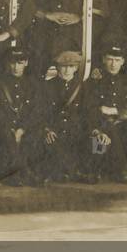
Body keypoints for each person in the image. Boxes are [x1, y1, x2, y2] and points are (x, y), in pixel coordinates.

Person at [81, 45, 127, 183]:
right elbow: (89, 107)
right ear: (103, 60)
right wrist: (100, 126)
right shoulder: (95, 81)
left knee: (111, 129)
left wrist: (116, 111)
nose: (113, 64)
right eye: (110, 59)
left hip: (123, 124)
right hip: (100, 123)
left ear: (123, 61)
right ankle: (122, 169)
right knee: (103, 132)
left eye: (117, 60)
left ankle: (95, 169)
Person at [0, 48, 44, 186]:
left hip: (26, 126)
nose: (16, 67)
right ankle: (22, 173)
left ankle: (20, 173)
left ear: (26, 63)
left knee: (35, 135)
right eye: (12, 63)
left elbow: (36, 111)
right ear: (8, 63)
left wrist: (22, 129)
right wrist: (10, 128)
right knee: (6, 136)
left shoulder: (34, 84)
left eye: (20, 63)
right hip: (5, 125)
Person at [42, 50, 86, 182]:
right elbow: (40, 111)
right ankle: (72, 172)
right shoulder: (47, 86)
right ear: (57, 67)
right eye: (64, 66)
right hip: (54, 128)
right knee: (51, 141)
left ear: (76, 68)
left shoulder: (83, 87)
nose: (67, 70)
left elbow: (87, 111)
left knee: (94, 144)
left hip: (76, 128)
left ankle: (68, 171)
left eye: (71, 66)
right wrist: (46, 129)